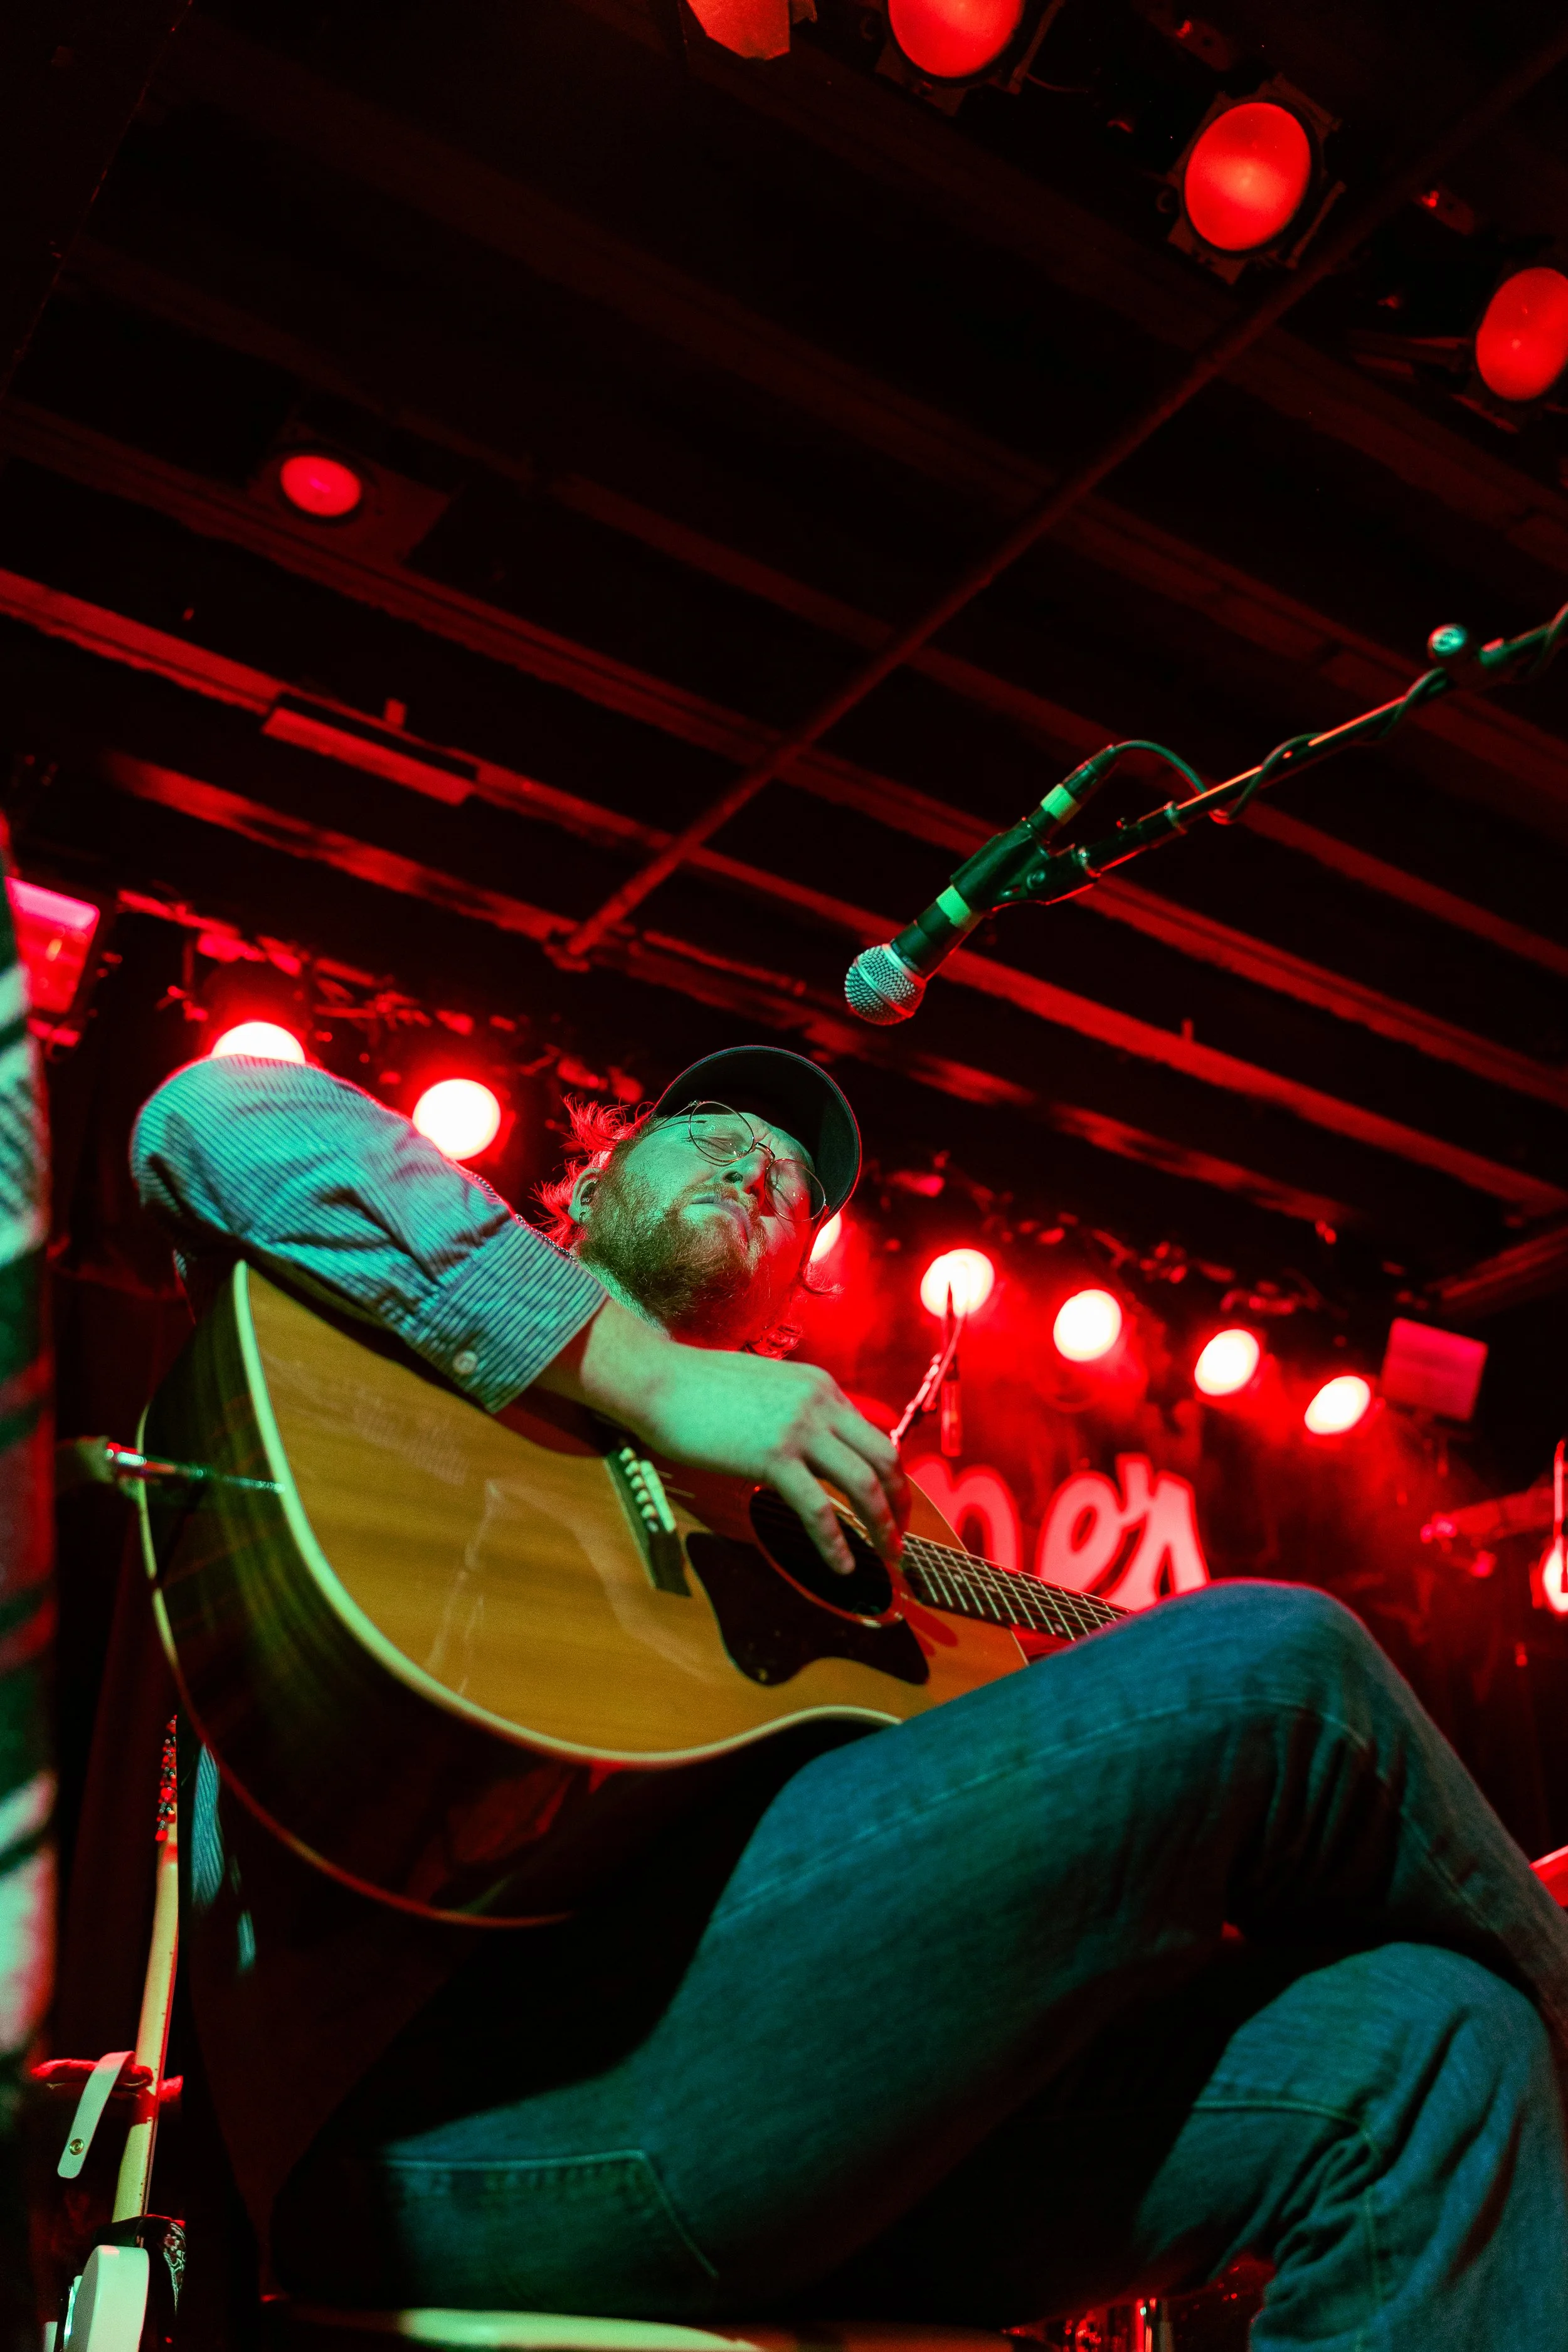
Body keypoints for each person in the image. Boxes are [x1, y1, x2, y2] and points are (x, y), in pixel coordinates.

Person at [132, 1041, 1568, 2348]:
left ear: (796, 1301)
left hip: (827, 2123)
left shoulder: (876, 1530)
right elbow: (206, 1116)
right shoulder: (390, 1293)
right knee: (1278, 1661)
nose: (761, 1164)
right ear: (588, 1171)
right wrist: (649, 1380)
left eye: (798, 1188)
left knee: (1440, 2045)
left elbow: (1001, 1892)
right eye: (708, 1127)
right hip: (452, 2114)